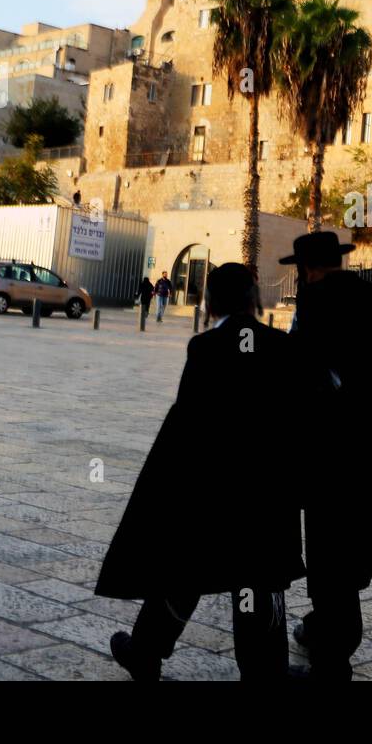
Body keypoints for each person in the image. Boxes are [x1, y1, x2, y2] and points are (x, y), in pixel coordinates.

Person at [96, 262, 304, 681]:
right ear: (253, 298)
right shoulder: (280, 346)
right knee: (256, 580)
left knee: (185, 569)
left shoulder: (205, 348)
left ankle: (146, 651)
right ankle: (266, 671)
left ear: (210, 302)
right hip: (265, 492)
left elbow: (185, 425)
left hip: (209, 489)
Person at [281, 231, 372, 680]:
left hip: (327, 453)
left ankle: (332, 663)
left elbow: (296, 375)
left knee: (327, 550)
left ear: (308, 270)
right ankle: (323, 631)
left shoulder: (313, 304)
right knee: (355, 543)